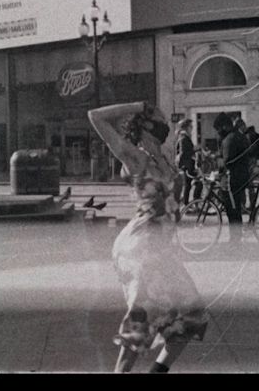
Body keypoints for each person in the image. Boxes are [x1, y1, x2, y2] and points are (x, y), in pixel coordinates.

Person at [88, 101, 208, 374]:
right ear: (145, 123)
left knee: (193, 316)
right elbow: (94, 115)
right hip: (140, 248)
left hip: (161, 249)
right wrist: (136, 105)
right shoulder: (135, 158)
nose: (166, 123)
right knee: (140, 324)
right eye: (159, 117)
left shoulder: (163, 158)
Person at [213, 112, 250, 244]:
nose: (217, 132)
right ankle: (236, 237)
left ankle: (235, 240)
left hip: (232, 178)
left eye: (218, 129)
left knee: (232, 211)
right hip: (240, 176)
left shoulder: (229, 139)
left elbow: (227, 161)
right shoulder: (237, 135)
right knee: (236, 209)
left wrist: (218, 164)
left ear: (224, 126)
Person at [175, 118, 200, 205]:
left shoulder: (184, 137)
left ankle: (188, 204)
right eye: (191, 126)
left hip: (188, 165)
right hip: (187, 166)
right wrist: (194, 150)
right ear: (186, 127)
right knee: (196, 183)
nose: (192, 128)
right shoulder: (183, 138)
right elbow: (183, 153)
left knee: (188, 185)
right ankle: (191, 204)